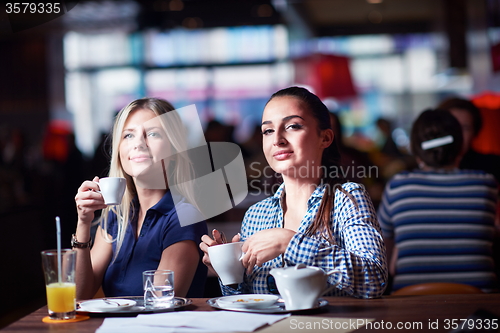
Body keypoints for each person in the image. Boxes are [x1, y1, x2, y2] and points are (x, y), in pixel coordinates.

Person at [200, 86, 388, 299]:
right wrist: (229, 272)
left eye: (292, 126)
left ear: (325, 138)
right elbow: (248, 300)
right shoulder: (255, 215)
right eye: (268, 130)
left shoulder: (348, 199)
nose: (277, 139)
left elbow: (374, 280)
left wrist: (289, 243)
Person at [74, 97, 207, 300]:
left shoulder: (184, 216)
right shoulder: (116, 214)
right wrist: (83, 223)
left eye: (153, 134)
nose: (138, 143)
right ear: (119, 151)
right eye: (128, 135)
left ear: (173, 149)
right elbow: (79, 295)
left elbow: (160, 304)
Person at [378, 109, 498, 292]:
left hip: (409, 301)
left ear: (417, 151)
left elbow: (381, 247)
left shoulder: (398, 185)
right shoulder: (486, 184)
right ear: (459, 146)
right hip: (479, 304)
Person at [437, 97, 500, 183]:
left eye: (465, 128)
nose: (457, 133)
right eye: (451, 126)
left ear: (475, 132)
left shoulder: (494, 166)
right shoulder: (419, 167)